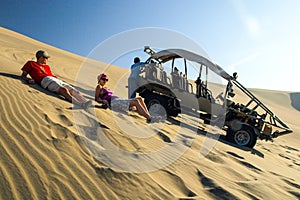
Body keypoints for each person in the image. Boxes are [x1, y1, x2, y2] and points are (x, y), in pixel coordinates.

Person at [21, 50, 92, 109]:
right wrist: (29, 80)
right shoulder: (31, 63)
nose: (47, 59)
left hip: (55, 79)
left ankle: (86, 103)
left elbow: (51, 75)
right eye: (46, 57)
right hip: (45, 80)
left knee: (75, 91)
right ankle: (80, 105)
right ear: (41, 57)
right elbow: (23, 75)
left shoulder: (47, 67)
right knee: (64, 90)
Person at [95, 73, 160, 123]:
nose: (105, 81)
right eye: (103, 79)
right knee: (136, 102)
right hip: (113, 102)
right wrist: (103, 101)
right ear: (99, 79)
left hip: (117, 100)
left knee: (139, 99)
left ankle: (149, 116)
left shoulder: (104, 88)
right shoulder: (99, 87)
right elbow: (96, 98)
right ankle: (149, 118)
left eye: (106, 80)